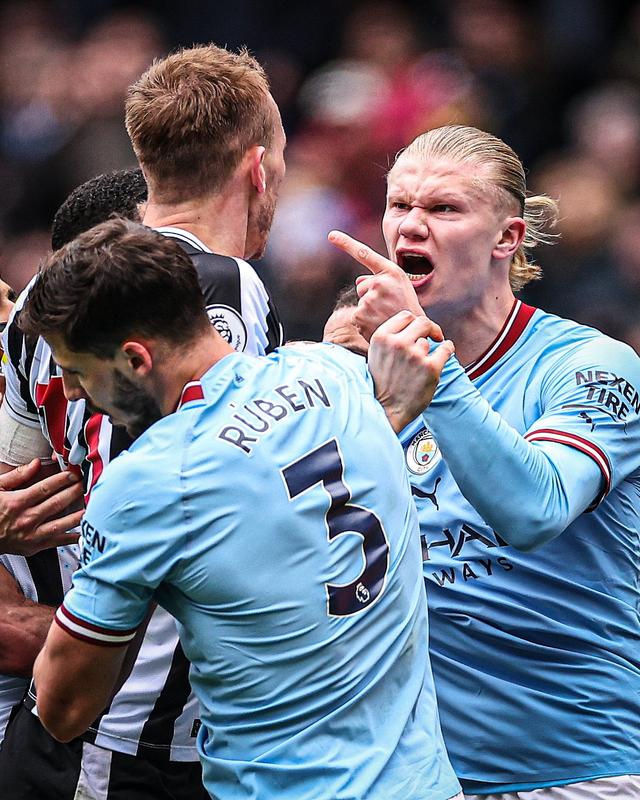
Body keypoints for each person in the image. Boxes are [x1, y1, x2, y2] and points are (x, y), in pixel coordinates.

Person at [23, 218, 461, 800]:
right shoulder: (333, 373)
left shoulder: (149, 482)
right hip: (426, 783)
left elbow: (64, 710)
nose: (74, 393)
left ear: (134, 359)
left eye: (77, 371)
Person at [327, 124, 640, 798]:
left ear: (507, 238)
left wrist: (429, 367)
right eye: (399, 206)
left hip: (577, 772)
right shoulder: (361, 379)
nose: (410, 226)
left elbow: (537, 509)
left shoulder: (591, 366)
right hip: (413, 777)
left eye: (443, 209)